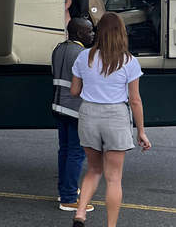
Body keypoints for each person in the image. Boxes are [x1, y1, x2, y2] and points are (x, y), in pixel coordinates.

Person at [70, 12, 151, 227]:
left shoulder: (84, 57)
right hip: (115, 116)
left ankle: (80, 213)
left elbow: (74, 91)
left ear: (100, 32)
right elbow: (135, 100)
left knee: (93, 170)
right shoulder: (129, 61)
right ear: (121, 32)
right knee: (114, 178)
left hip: (89, 115)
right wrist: (141, 131)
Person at [52, 18, 96, 213]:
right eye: (89, 31)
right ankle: (69, 198)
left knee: (64, 151)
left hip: (58, 107)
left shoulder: (58, 49)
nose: (92, 34)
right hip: (76, 110)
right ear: (79, 34)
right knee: (76, 154)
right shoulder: (83, 54)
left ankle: (64, 191)